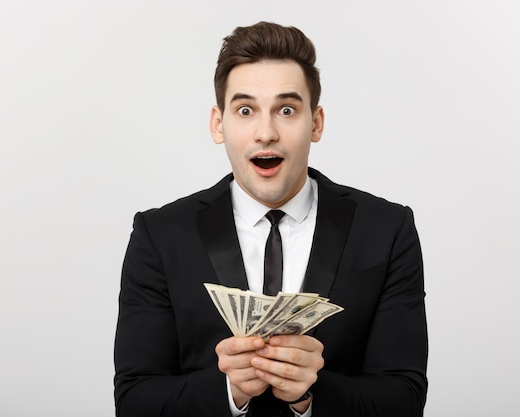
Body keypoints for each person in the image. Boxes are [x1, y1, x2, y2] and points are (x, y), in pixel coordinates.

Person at [114, 21, 428, 417]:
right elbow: (133, 403)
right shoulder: (159, 236)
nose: (266, 132)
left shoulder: (386, 231)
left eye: (286, 110)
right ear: (218, 123)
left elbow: (405, 399)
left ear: (315, 123)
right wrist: (228, 390)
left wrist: (312, 393)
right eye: (246, 110)